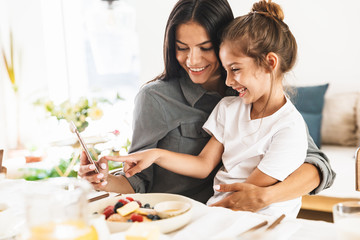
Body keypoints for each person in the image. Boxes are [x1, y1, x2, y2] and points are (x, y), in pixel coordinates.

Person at [78, 0, 335, 212]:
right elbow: (140, 180)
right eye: (182, 48)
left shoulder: (255, 98)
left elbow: (315, 164)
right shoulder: (158, 99)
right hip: (177, 217)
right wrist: (104, 181)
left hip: (229, 215)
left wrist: (265, 197)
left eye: (205, 47)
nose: (193, 60)